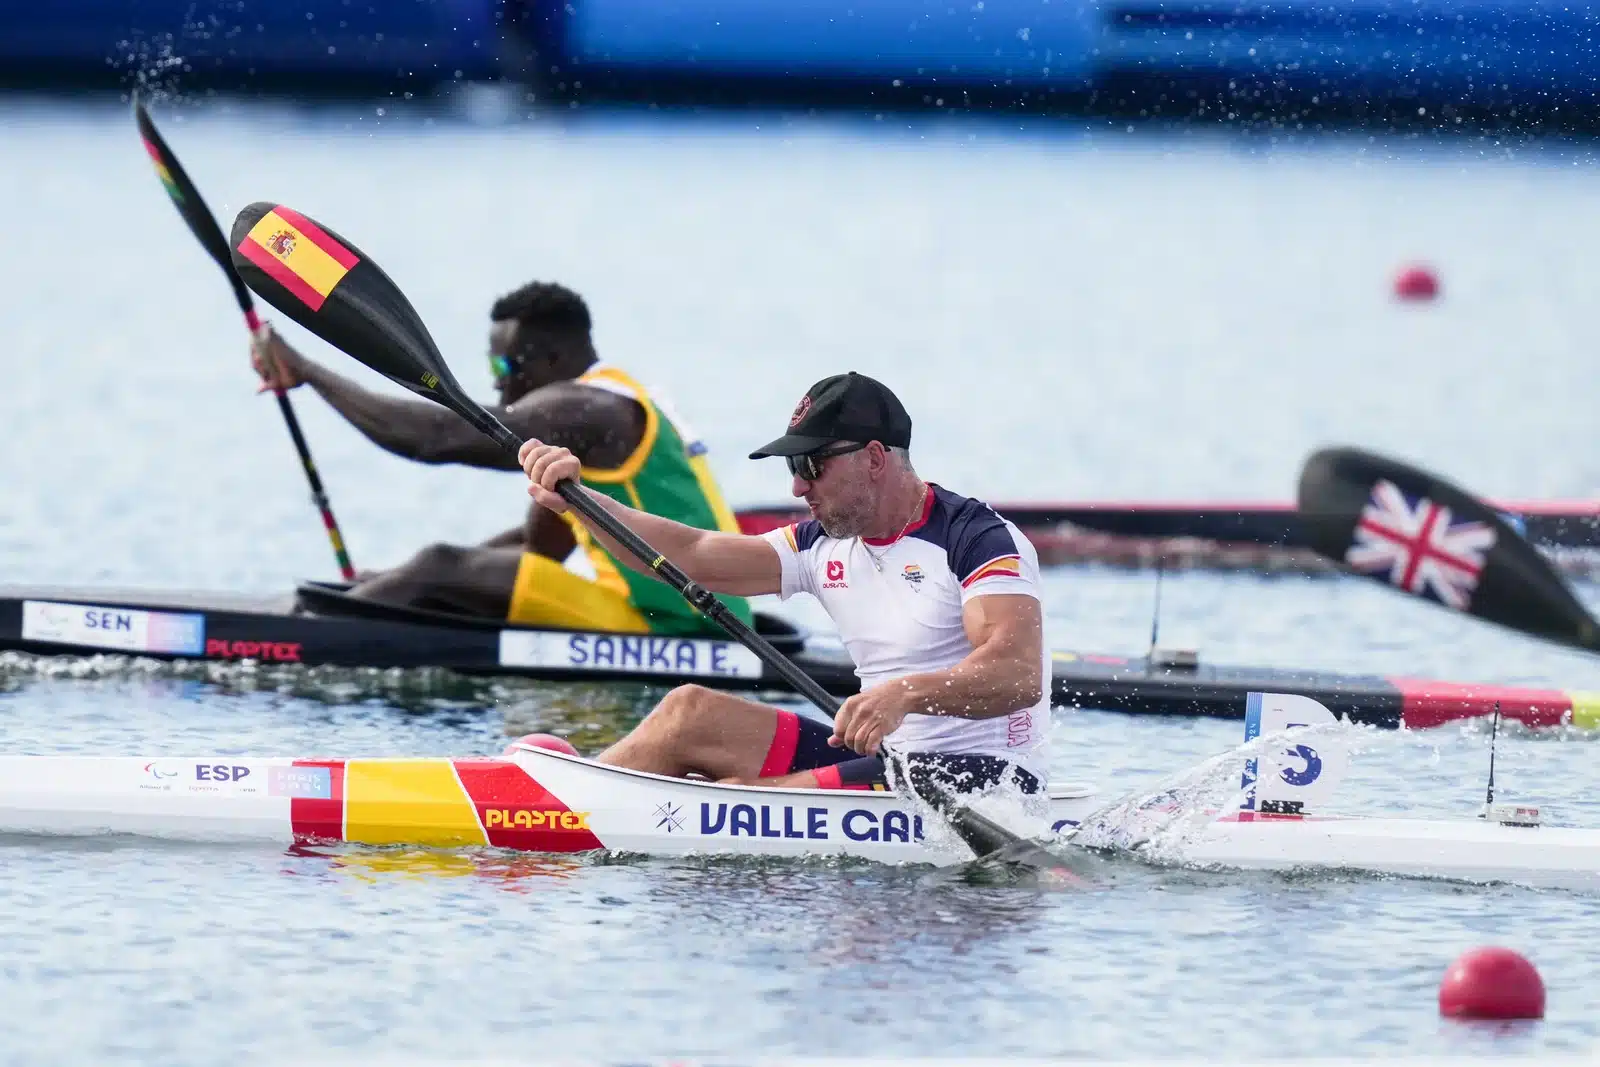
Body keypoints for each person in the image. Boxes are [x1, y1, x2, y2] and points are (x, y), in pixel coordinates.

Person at [517, 371, 1051, 795]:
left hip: (981, 782)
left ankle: (566, 809)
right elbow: (691, 552)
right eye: (794, 465)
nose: (798, 486)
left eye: (811, 463)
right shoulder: (821, 545)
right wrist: (584, 504)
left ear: (872, 458)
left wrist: (903, 696)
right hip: (882, 764)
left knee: (735, 795)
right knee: (689, 714)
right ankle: (562, 801)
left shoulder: (977, 540)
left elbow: (1017, 672)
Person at [251, 280, 752, 635]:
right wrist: (396, 579)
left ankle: (287, 643)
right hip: (699, 614)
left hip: (683, 626)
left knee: (439, 564)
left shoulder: (588, 409)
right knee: (437, 571)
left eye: (504, 363)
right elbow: (543, 549)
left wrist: (310, 372)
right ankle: (336, 620)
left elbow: (431, 439)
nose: (497, 381)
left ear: (553, 360)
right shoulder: (612, 404)